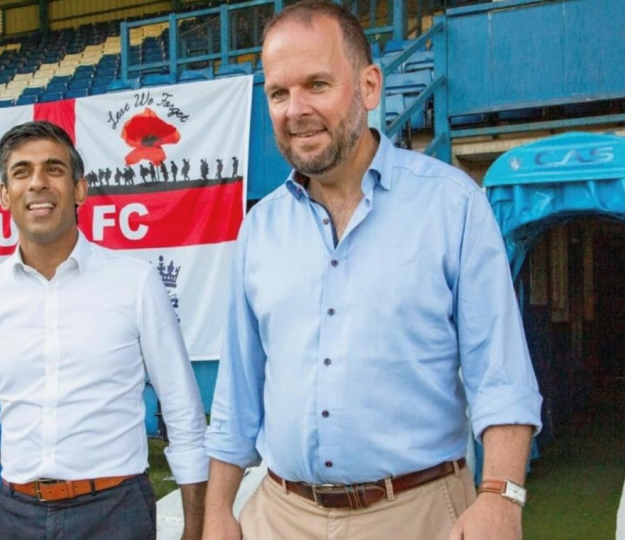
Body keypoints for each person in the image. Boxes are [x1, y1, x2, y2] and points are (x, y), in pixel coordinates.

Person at [202, 2, 542, 540]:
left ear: (369, 85)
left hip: (420, 514)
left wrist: (502, 495)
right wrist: (217, 511)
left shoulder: (452, 206)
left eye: (317, 84)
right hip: (279, 515)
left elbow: (499, 377)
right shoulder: (259, 229)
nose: (295, 110)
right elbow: (237, 394)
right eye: (278, 93)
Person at [0, 121, 208, 540]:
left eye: (54, 169)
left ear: (80, 189)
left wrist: (197, 528)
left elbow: (184, 415)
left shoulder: (135, 283)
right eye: (22, 172)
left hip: (116, 514)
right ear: (5, 195)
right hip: (16, 516)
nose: (38, 183)